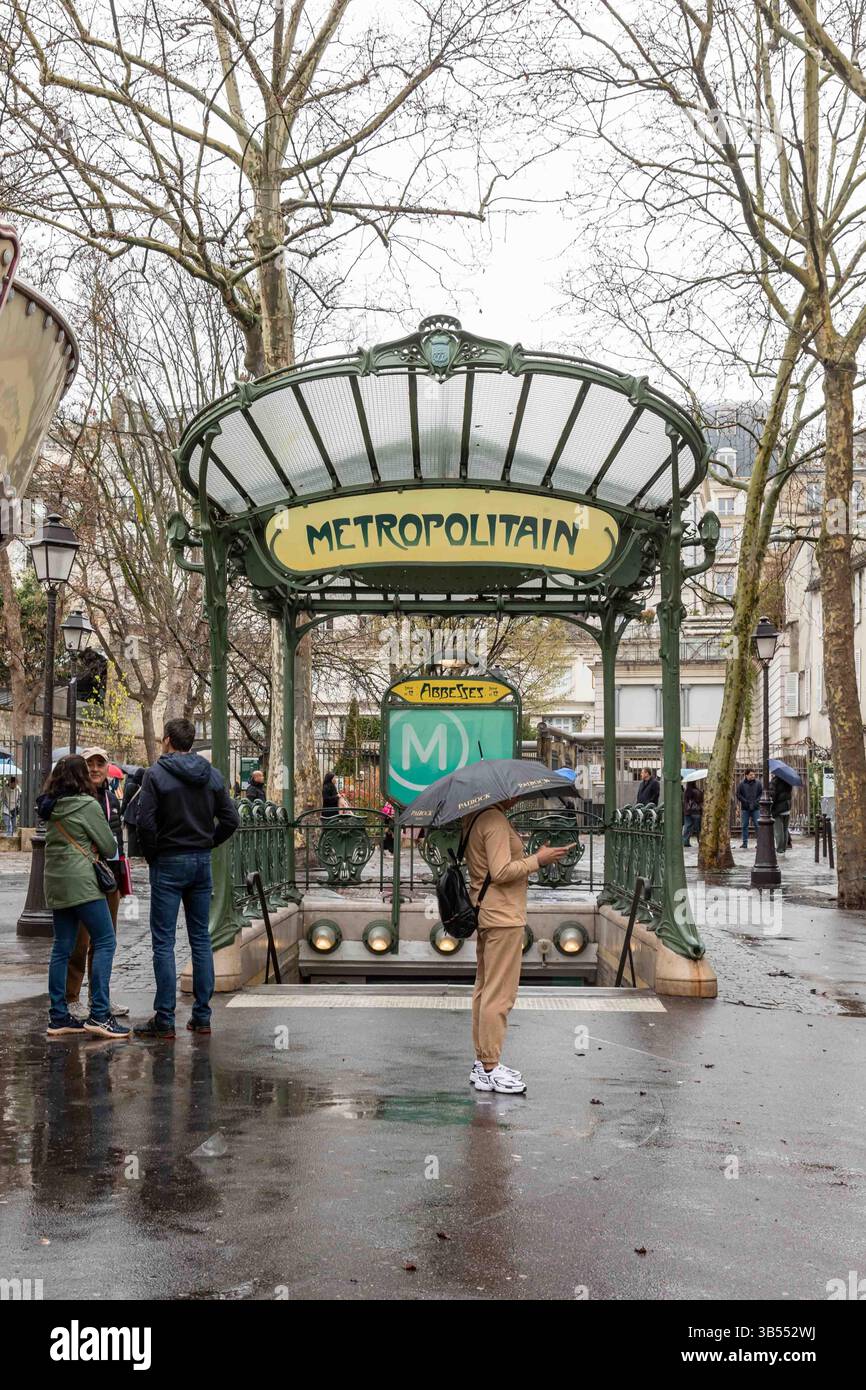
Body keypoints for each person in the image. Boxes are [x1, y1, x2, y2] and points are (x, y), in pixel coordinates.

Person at [133, 718, 239, 1040]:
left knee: (163, 941)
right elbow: (231, 819)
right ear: (191, 742)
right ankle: (202, 1016)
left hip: (168, 861)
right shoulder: (211, 775)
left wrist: (155, 855)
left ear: (166, 740)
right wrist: (208, 841)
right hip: (200, 862)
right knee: (201, 939)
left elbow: (145, 823)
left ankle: (165, 1019)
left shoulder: (155, 775)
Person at [463, 801, 569, 1094]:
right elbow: (500, 872)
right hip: (503, 915)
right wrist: (539, 859)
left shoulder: (474, 817)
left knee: (485, 989)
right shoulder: (494, 819)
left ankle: (483, 1063)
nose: (516, 798)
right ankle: (491, 1067)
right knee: (500, 993)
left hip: (486, 911)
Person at [38, 755, 131, 1040]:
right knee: (105, 940)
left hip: (56, 884)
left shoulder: (49, 807)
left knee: (62, 946)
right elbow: (107, 844)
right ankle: (100, 1014)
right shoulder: (87, 804)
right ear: (80, 777)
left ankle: (58, 1016)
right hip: (83, 884)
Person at [65, 747, 128, 1021]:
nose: (94, 769)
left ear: (106, 767)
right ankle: (72, 998)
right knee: (80, 942)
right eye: (89, 764)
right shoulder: (78, 798)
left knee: (105, 943)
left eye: (99, 764)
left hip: (108, 878)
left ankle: (99, 997)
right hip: (85, 880)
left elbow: (116, 840)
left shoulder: (112, 798)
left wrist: (120, 879)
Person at [120, 764, 146, 857]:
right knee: (141, 835)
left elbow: (125, 802)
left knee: (131, 836)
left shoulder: (130, 786)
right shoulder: (145, 787)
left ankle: (132, 854)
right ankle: (140, 853)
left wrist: (121, 813)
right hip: (140, 814)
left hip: (130, 815)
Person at [737, 768, 763, 848]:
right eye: (751, 775)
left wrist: (756, 802)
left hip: (756, 808)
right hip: (745, 808)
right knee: (744, 825)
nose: (753, 776)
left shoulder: (758, 783)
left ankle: (759, 843)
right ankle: (745, 843)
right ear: (746, 775)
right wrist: (745, 802)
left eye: (753, 774)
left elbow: (761, 794)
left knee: (758, 825)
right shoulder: (741, 784)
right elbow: (738, 794)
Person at [770, 773, 792, 855]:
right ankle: (784, 848)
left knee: (778, 831)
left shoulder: (774, 782)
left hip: (778, 810)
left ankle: (779, 849)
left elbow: (772, 795)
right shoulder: (788, 781)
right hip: (787, 808)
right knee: (785, 830)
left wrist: (771, 808)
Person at [682, 781, 703, 847]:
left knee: (687, 827)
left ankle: (685, 841)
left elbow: (685, 802)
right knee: (698, 828)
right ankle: (700, 841)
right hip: (696, 812)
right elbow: (701, 801)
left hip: (687, 812)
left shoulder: (686, 792)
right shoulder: (698, 791)